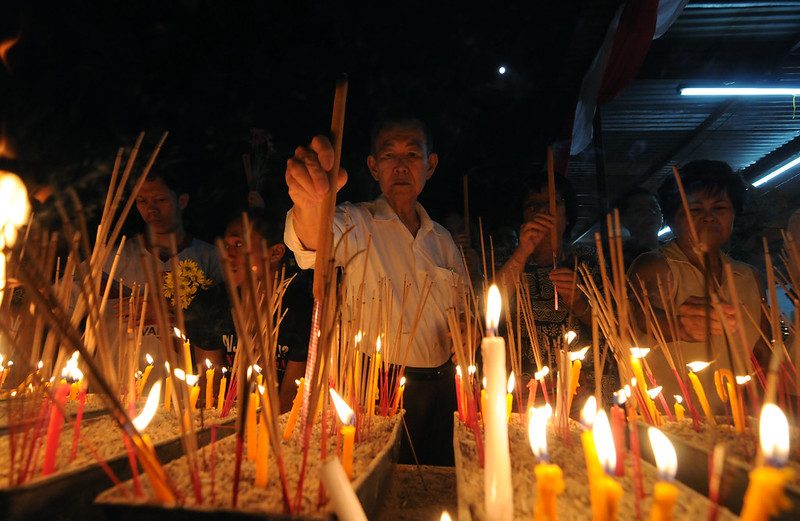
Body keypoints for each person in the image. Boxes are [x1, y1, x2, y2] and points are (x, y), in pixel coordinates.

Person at [284, 115, 466, 465]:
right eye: (388, 156)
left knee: (433, 481)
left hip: (442, 387)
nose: (400, 166)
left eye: (412, 155)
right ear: (372, 166)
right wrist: (309, 203)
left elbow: (462, 313)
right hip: (375, 385)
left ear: (431, 165)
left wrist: (466, 331)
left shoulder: (442, 240)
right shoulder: (356, 222)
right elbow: (311, 242)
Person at [628, 160, 768, 406]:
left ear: (733, 215)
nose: (708, 218)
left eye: (720, 207)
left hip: (737, 422)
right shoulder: (655, 266)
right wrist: (678, 326)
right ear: (673, 219)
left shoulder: (749, 277)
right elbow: (641, 317)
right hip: (669, 423)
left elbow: (763, 352)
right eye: (695, 209)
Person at [184, 208, 312, 413]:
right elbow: (210, 388)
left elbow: (290, 397)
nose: (228, 254)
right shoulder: (211, 305)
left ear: (275, 252)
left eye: (239, 244)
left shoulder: (299, 310)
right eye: (226, 246)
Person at [496, 172, 606, 408]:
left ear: (567, 216)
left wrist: (580, 304)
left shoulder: (588, 262)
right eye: (533, 205)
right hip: (523, 394)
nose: (542, 212)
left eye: (552, 203)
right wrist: (522, 252)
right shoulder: (507, 262)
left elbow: (613, 328)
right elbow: (489, 309)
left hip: (580, 390)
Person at [102, 169, 223, 369]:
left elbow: (228, 320)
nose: (151, 209)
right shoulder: (112, 259)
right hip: (121, 384)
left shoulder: (212, 259)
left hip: (188, 388)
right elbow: (63, 303)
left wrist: (167, 307)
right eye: (142, 201)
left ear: (182, 201)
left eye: (160, 200)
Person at [617, 187, 663, 269]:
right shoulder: (620, 260)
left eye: (654, 207)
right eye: (640, 210)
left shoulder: (673, 250)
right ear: (624, 220)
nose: (651, 212)